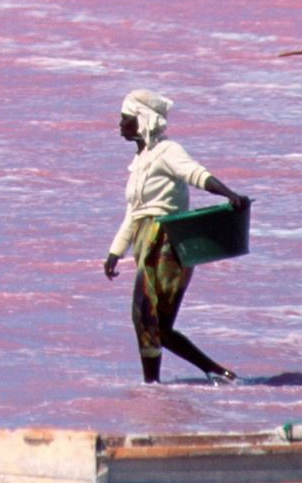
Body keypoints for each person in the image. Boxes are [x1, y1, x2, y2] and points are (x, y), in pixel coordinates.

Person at [102, 90, 250, 383]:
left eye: (125, 119)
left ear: (142, 121)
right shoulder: (142, 159)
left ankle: (158, 383)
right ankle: (213, 374)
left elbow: (195, 174)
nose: (119, 125)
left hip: (167, 241)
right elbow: (134, 213)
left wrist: (230, 195)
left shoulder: (168, 152)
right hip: (146, 241)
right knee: (153, 322)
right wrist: (114, 252)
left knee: (146, 317)